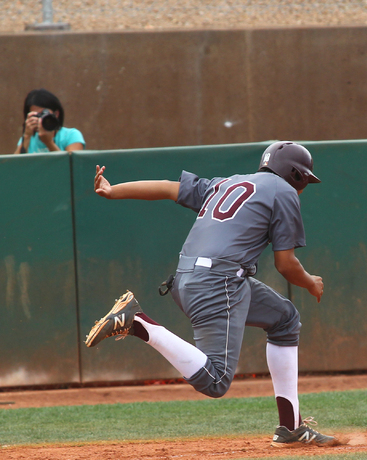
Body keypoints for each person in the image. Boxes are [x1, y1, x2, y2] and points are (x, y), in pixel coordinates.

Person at [85, 141, 338, 448]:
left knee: (285, 319)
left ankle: (291, 428)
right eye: (305, 181)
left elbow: (167, 188)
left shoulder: (227, 182)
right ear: (295, 175)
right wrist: (311, 282)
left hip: (189, 278)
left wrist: (114, 191)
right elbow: (285, 264)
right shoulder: (283, 192)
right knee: (216, 380)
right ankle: (138, 322)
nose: (303, 188)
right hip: (219, 282)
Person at [14, 88, 85, 154]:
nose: (40, 119)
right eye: (36, 115)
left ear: (56, 114)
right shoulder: (28, 140)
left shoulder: (71, 135)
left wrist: (49, 143)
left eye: (43, 114)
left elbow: (70, 165)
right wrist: (26, 137)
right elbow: (15, 166)